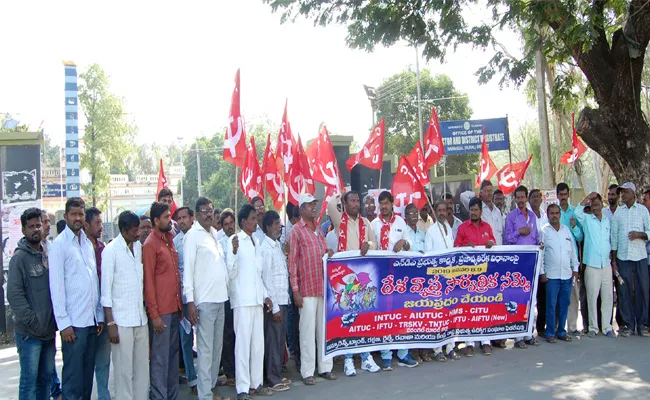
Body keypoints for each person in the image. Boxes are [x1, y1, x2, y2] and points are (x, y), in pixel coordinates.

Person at [49, 197, 104, 400]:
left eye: (81, 214)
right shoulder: (59, 246)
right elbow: (56, 287)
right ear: (66, 216)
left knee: (87, 379)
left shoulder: (87, 244)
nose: (78, 218)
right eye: (73, 214)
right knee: (72, 381)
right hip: (73, 326)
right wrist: (64, 324)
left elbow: (94, 283)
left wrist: (98, 314)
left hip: (91, 322)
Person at [326, 190, 380, 376]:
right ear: (345, 203)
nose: (357, 204)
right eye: (353, 201)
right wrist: (340, 193)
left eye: (358, 201)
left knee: (363, 314)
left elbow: (375, 244)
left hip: (363, 275)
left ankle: (366, 357)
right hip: (346, 278)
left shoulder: (365, 223)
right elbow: (330, 205)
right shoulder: (339, 221)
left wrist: (369, 246)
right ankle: (349, 359)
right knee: (348, 316)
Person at [183, 197, 231, 400]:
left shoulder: (213, 234)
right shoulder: (192, 236)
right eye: (205, 211)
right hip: (204, 302)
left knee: (216, 348)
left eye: (211, 210)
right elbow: (188, 271)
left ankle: (209, 387)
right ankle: (204, 394)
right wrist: (191, 302)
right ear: (197, 214)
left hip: (221, 299)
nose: (210, 214)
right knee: (205, 349)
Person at [8, 207, 57, 400]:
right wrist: (34, 323)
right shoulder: (19, 258)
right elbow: (14, 295)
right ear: (23, 230)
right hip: (29, 334)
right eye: (31, 227)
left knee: (45, 379)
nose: (36, 230)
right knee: (29, 383)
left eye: (38, 225)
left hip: (48, 332)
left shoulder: (47, 252)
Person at [226, 204, 274, 400]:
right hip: (242, 302)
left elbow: (258, 274)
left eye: (256, 218)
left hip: (256, 301)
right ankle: (243, 388)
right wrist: (235, 253)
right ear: (244, 221)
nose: (256, 222)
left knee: (257, 346)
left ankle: (256, 383)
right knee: (243, 346)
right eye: (253, 218)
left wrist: (265, 296)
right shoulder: (234, 241)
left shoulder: (257, 242)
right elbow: (230, 273)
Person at [101, 211, 149, 399]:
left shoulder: (139, 249)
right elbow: (106, 292)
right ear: (123, 230)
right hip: (120, 321)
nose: (138, 233)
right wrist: (111, 324)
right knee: (123, 372)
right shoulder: (110, 251)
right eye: (135, 230)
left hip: (140, 318)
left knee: (141, 369)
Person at [289, 194, 336, 385]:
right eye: (309, 205)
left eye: (314, 204)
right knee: (307, 332)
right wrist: (295, 290)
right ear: (301, 209)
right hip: (306, 289)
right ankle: (308, 371)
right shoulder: (296, 231)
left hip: (322, 287)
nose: (313, 207)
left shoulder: (318, 228)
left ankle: (325, 367)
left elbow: (323, 252)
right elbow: (292, 263)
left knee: (323, 331)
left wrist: (329, 253)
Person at [370, 191, 417, 369]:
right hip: (381, 275)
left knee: (401, 313)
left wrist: (403, 243)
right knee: (384, 315)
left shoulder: (400, 222)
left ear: (392, 204)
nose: (383, 206)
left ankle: (403, 353)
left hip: (399, 275)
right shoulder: (373, 224)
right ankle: (386, 355)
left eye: (386, 203)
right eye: (381, 203)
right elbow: (371, 244)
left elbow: (410, 243)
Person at [143, 202, 182, 400]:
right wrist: (155, 315)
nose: (170, 220)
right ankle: (159, 396)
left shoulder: (170, 240)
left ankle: (172, 396)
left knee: (172, 358)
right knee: (159, 360)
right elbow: (149, 282)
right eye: (166, 217)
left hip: (174, 309)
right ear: (156, 221)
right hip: (161, 313)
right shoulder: (150, 244)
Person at [454, 197, 495, 356]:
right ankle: (469, 342)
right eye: (471, 210)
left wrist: (491, 243)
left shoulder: (487, 227)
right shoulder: (463, 228)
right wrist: (464, 247)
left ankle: (485, 341)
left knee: (484, 308)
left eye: (476, 209)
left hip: (484, 275)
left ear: (481, 211)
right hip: (468, 276)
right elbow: (456, 248)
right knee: (470, 309)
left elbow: (494, 244)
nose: (473, 212)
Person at [611, 182, 650, 337]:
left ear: (633, 194)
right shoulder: (618, 213)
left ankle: (641, 325)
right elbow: (614, 238)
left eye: (625, 192)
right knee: (624, 291)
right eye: (622, 193)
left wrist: (639, 235)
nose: (623, 195)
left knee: (642, 290)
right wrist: (614, 260)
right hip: (623, 257)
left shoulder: (642, 211)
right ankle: (628, 324)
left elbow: (649, 231)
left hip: (640, 256)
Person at [574, 192, 615, 338]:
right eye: (594, 205)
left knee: (608, 296)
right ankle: (593, 327)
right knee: (592, 297)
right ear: (591, 207)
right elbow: (577, 211)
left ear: (602, 206)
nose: (596, 207)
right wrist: (587, 199)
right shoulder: (586, 220)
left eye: (598, 204)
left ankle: (607, 327)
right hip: (591, 264)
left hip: (606, 264)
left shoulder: (607, 221)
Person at [260, 211, 292, 392]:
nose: (279, 227)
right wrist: (275, 307)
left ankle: (277, 374)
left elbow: (281, 273)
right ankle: (272, 377)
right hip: (275, 303)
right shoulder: (265, 248)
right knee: (273, 341)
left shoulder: (276, 245)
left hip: (283, 299)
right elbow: (267, 279)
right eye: (275, 224)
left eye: (279, 223)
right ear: (267, 226)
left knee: (280, 341)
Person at [424, 200, 459, 361]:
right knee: (438, 314)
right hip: (438, 278)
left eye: (444, 210)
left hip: (451, 277)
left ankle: (450, 347)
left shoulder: (449, 228)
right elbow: (428, 255)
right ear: (435, 212)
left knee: (450, 314)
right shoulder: (431, 231)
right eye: (439, 210)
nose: (442, 213)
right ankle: (437, 349)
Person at [504, 185, 539, 348]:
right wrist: (519, 231)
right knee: (517, 300)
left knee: (531, 301)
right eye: (517, 198)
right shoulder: (511, 217)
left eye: (522, 197)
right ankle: (517, 337)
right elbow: (507, 239)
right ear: (514, 199)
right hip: (517, 264)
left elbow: (536, 238)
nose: (520, 200)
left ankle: (528, 334)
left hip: (531, 263)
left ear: (526, 198)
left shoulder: (532, 217)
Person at [540, 204, 579, 343]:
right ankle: (550, 332)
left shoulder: (566, 230)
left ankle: (561, 331)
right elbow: (541, 254)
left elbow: (573, 251)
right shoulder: (544, 231)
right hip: (552, 276)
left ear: (560, 215)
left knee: (564, 304)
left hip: (566, 275)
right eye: (552, 213)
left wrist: (575, 268)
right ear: (548, 215)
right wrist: (542, 272)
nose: (555, 215)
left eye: (557, 213)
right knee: (551, 305)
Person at [172, 206, 198, 395]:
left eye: (184, 217)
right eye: (178, 218)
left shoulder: (201, 236)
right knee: (186, 340)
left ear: (192, 218)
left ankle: (207, 378)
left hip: (203, 293)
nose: (181, 221)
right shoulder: (174, 243)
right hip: (183, 296)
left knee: (205, 340)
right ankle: (192, 378)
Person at [84, 207, 109, 400]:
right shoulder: (79, 248)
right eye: (97, 223)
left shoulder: (103, 249)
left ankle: (104, 396)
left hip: (103, 314)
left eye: (101, 222)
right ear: (86, 224)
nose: (101, 226)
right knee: (83, 366)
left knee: (103, 363)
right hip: (83, 317)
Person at [556, 182, 584, 335]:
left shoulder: (574, 213)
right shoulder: (554, 212)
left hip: (572, 260)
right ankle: (558, 327)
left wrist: (574, 227)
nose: (563, 198)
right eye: (560, 195)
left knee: (572, 295)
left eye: (565, 194)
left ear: (568, 195)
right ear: (557, 196)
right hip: (558, 259)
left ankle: (572, 327)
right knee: (559, 294)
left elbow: (580, 237)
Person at [41, 210, 62, 400]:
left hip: (52, 315)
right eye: (44, 222)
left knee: (50, 358)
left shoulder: (52, 247)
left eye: (49, 221)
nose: (48, 225)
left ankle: (56, 391)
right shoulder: (26, 253)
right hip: (37, 319)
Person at [217, 211, 237, 388]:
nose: (229, 226)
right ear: (221, 225)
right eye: (226, 224)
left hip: (239, 294)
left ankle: (238, 370)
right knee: (228, 335)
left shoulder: (240, 238)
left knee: (238, 334)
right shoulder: (219, 241)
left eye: (231, 223)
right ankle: (229, 371)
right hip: (225, 294)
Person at [528, 189, 548, 336]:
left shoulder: (546, 216)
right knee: (529, 300)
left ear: (542, 199)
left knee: (542, 297)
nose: (536, 199)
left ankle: (540, 328)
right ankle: (528, 330)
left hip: (544, 262)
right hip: (530, 262)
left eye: (538, 197)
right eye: (533, 197)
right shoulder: (526, 216)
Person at [461, 180, 503, 245]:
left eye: (491, 191)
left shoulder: (497, 211)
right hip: (483, 250)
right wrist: (475, 194)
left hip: (498, 250)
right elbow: (463, 196)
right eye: (486, 191)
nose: (489, 193)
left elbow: (500, 233)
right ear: (481, 193)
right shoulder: (477, 208)